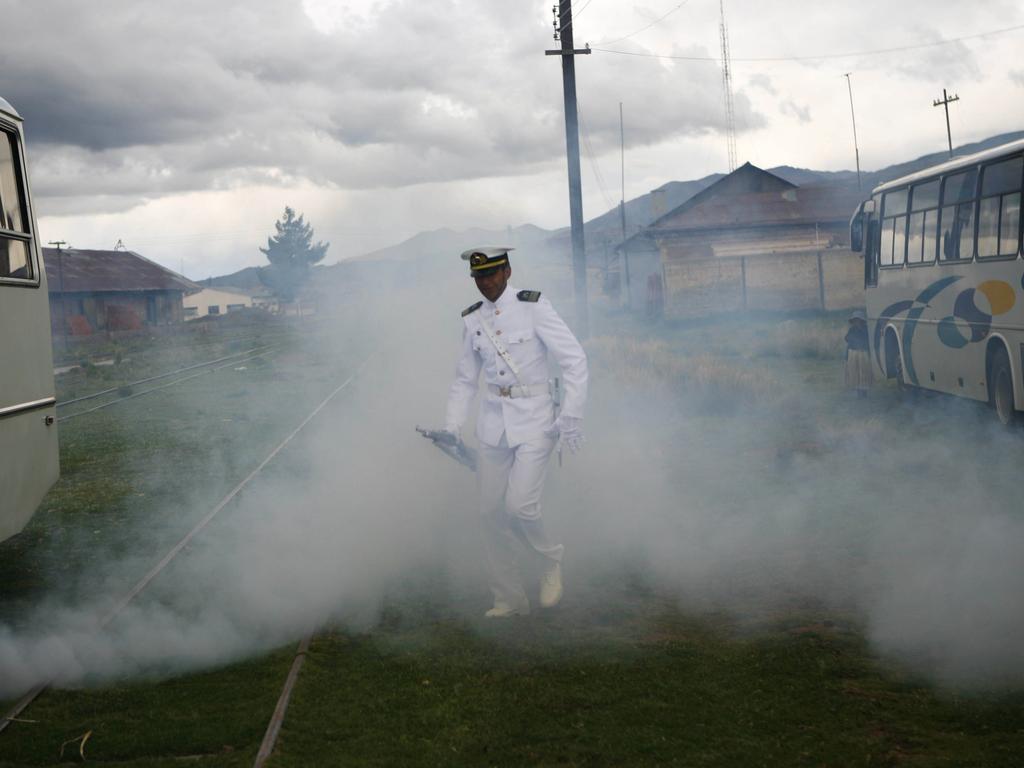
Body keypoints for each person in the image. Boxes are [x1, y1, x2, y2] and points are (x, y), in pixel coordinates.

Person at [445, 247, 588, 618]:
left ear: (507, 271)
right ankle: (508, 597)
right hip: (493, 425)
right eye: (479, 277)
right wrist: (452, 426)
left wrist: (571, 414)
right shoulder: (473, 320)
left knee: (520, 506)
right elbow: (464, 379)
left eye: (492, 274)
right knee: (489, 512)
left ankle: (550, 561)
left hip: (537, 421)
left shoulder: (535, 306)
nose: (486, 283)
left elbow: (574, 360)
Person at [844, 309, 873, 398]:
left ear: (861, 320)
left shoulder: (866, 330)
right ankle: (858, 392)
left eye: (858, 320)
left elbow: (868, 341)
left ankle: (864, 392)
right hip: (853, 353)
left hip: (863, 353)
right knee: (855, 373)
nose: (857, 322)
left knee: (864, 373)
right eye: (855, 320)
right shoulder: (852, 329)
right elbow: (847, 339)